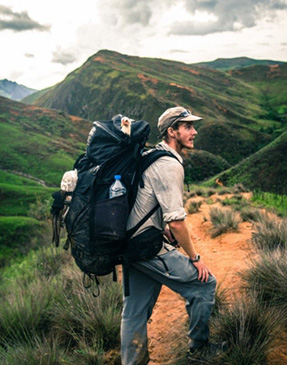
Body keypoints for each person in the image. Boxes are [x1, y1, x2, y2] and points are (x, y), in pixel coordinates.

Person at [121, 106, 217, 365]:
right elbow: (177, 223)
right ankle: (199, 350)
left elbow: (144, 203)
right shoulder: (168, 164)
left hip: (129, 243)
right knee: (204, 285)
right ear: (171, 131)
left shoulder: (152, 156)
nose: (194, 132)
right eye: (187, 127)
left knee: (134, 311)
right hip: (146, 247)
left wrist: (159, 227)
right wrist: (195, 258)